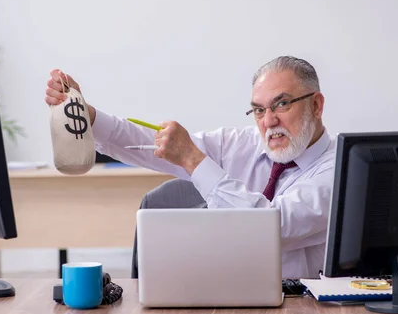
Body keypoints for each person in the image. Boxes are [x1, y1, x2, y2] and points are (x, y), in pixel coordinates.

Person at [45, 56, 335, 278]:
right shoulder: (239, 143)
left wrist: (194, 160)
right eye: (259, 110)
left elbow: (269, 226)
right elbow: (152, 143)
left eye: (281, 104)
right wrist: (88, 115)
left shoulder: (337, 172)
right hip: (222, 296)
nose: (268, 121)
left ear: (316, 106)